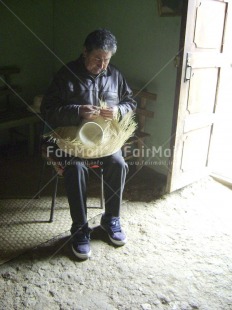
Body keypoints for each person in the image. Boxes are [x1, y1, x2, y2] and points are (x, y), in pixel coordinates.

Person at [41, 29, 136, 260]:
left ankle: (111, 218)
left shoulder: (115, 76)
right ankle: (80, 228)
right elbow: (47, 111)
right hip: (72, 142)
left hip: (103, 142)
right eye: (97, 59)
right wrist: (77, 111)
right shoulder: (65, 75)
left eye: (106, 60)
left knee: (118, 163)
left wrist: (118, 110)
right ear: (84, 52)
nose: (102, 65)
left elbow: (131, 102)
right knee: (75, 168)